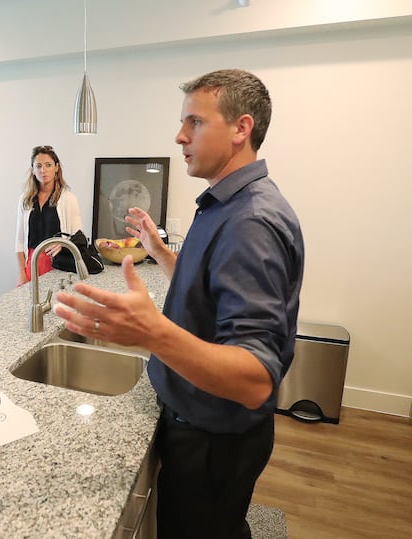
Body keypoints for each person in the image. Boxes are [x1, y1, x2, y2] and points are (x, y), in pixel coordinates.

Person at [55, 69, 304, 538]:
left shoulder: (251, 222)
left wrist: (151, 332)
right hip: (204, 425)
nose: (180, 136)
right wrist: (161, 253)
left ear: (240, 129)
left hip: (213, 437)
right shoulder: (227, 203)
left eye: (194, 122)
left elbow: (254, 378)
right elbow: (209, 291)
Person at [14, 145, 82, 286]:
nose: (43, 170)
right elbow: (19, 242)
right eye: (38, 166)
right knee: (29, 304)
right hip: (32, 264)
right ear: (33, 169)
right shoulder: (25, 200)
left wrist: (62, 244)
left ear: (56, 167)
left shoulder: (68, 198)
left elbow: (78, 238)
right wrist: (21, 273)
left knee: (56, 306)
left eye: (48, 165)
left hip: (57, 265)